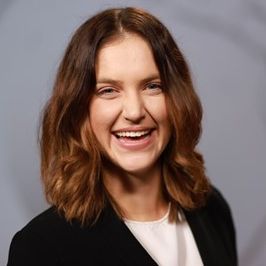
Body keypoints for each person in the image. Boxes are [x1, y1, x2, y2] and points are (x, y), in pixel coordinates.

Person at [7, 7, 237, 266]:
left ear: (176, 98)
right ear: (79, 108)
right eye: (108, 90)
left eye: (152, 86)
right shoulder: (41, 248)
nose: (135, 111)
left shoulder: (212, 210)